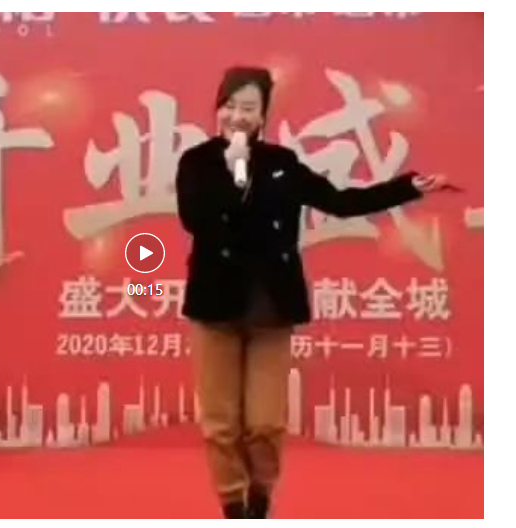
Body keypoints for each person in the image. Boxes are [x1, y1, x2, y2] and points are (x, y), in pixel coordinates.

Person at [175, 66, 452, 519]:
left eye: (249, 108)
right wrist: (233, 171)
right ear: (217, 108)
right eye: (229, 106)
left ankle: (260, 499)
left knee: (265, 423)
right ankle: (234, 507)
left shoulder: (283, 163)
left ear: (263, 115)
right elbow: (195, 219)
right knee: (220, 425)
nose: (237, 116)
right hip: (215, 307)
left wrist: (405, 188)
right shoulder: (197, 162)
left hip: (272, 309)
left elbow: (340, 201)